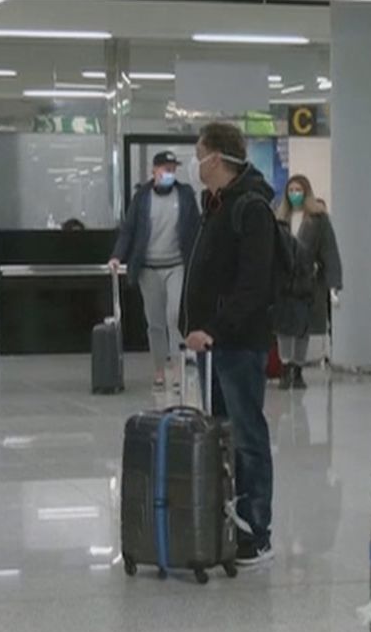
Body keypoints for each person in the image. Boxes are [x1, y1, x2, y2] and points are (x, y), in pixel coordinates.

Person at [182, 122, 277, 567]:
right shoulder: (216, 203)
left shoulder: (251, 207)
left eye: (199, 153)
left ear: (216, 158)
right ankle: (230, 520)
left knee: (247, 435)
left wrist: (215, 328)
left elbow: (255, 285)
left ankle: (257, 530)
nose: (195, 163)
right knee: (224, 435)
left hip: (238, 343)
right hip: (215, 346)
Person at [109, 151, 201, 390]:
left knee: (174, 316)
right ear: (154, 170)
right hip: (148, 268)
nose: (169, 173)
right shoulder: (142, 196)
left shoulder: (185, 195)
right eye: (165, 169)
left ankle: (178, 369)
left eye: (172, 169)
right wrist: (117, 256)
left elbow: (196, 226)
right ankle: (159, 369)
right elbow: (128, 230)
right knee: (156, 322)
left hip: (177, 264)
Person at [274, 174, 342, 391]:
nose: (295, 194)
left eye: (299, 190)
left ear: (306, 191)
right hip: (283, 280)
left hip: (307, 280)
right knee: (283, 326)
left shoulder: (318, 219)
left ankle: (298, 368)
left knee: (303, 326)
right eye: (291, 190)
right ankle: (285, 367)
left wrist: (333, 285)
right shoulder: (279, 218)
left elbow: (329, 251)